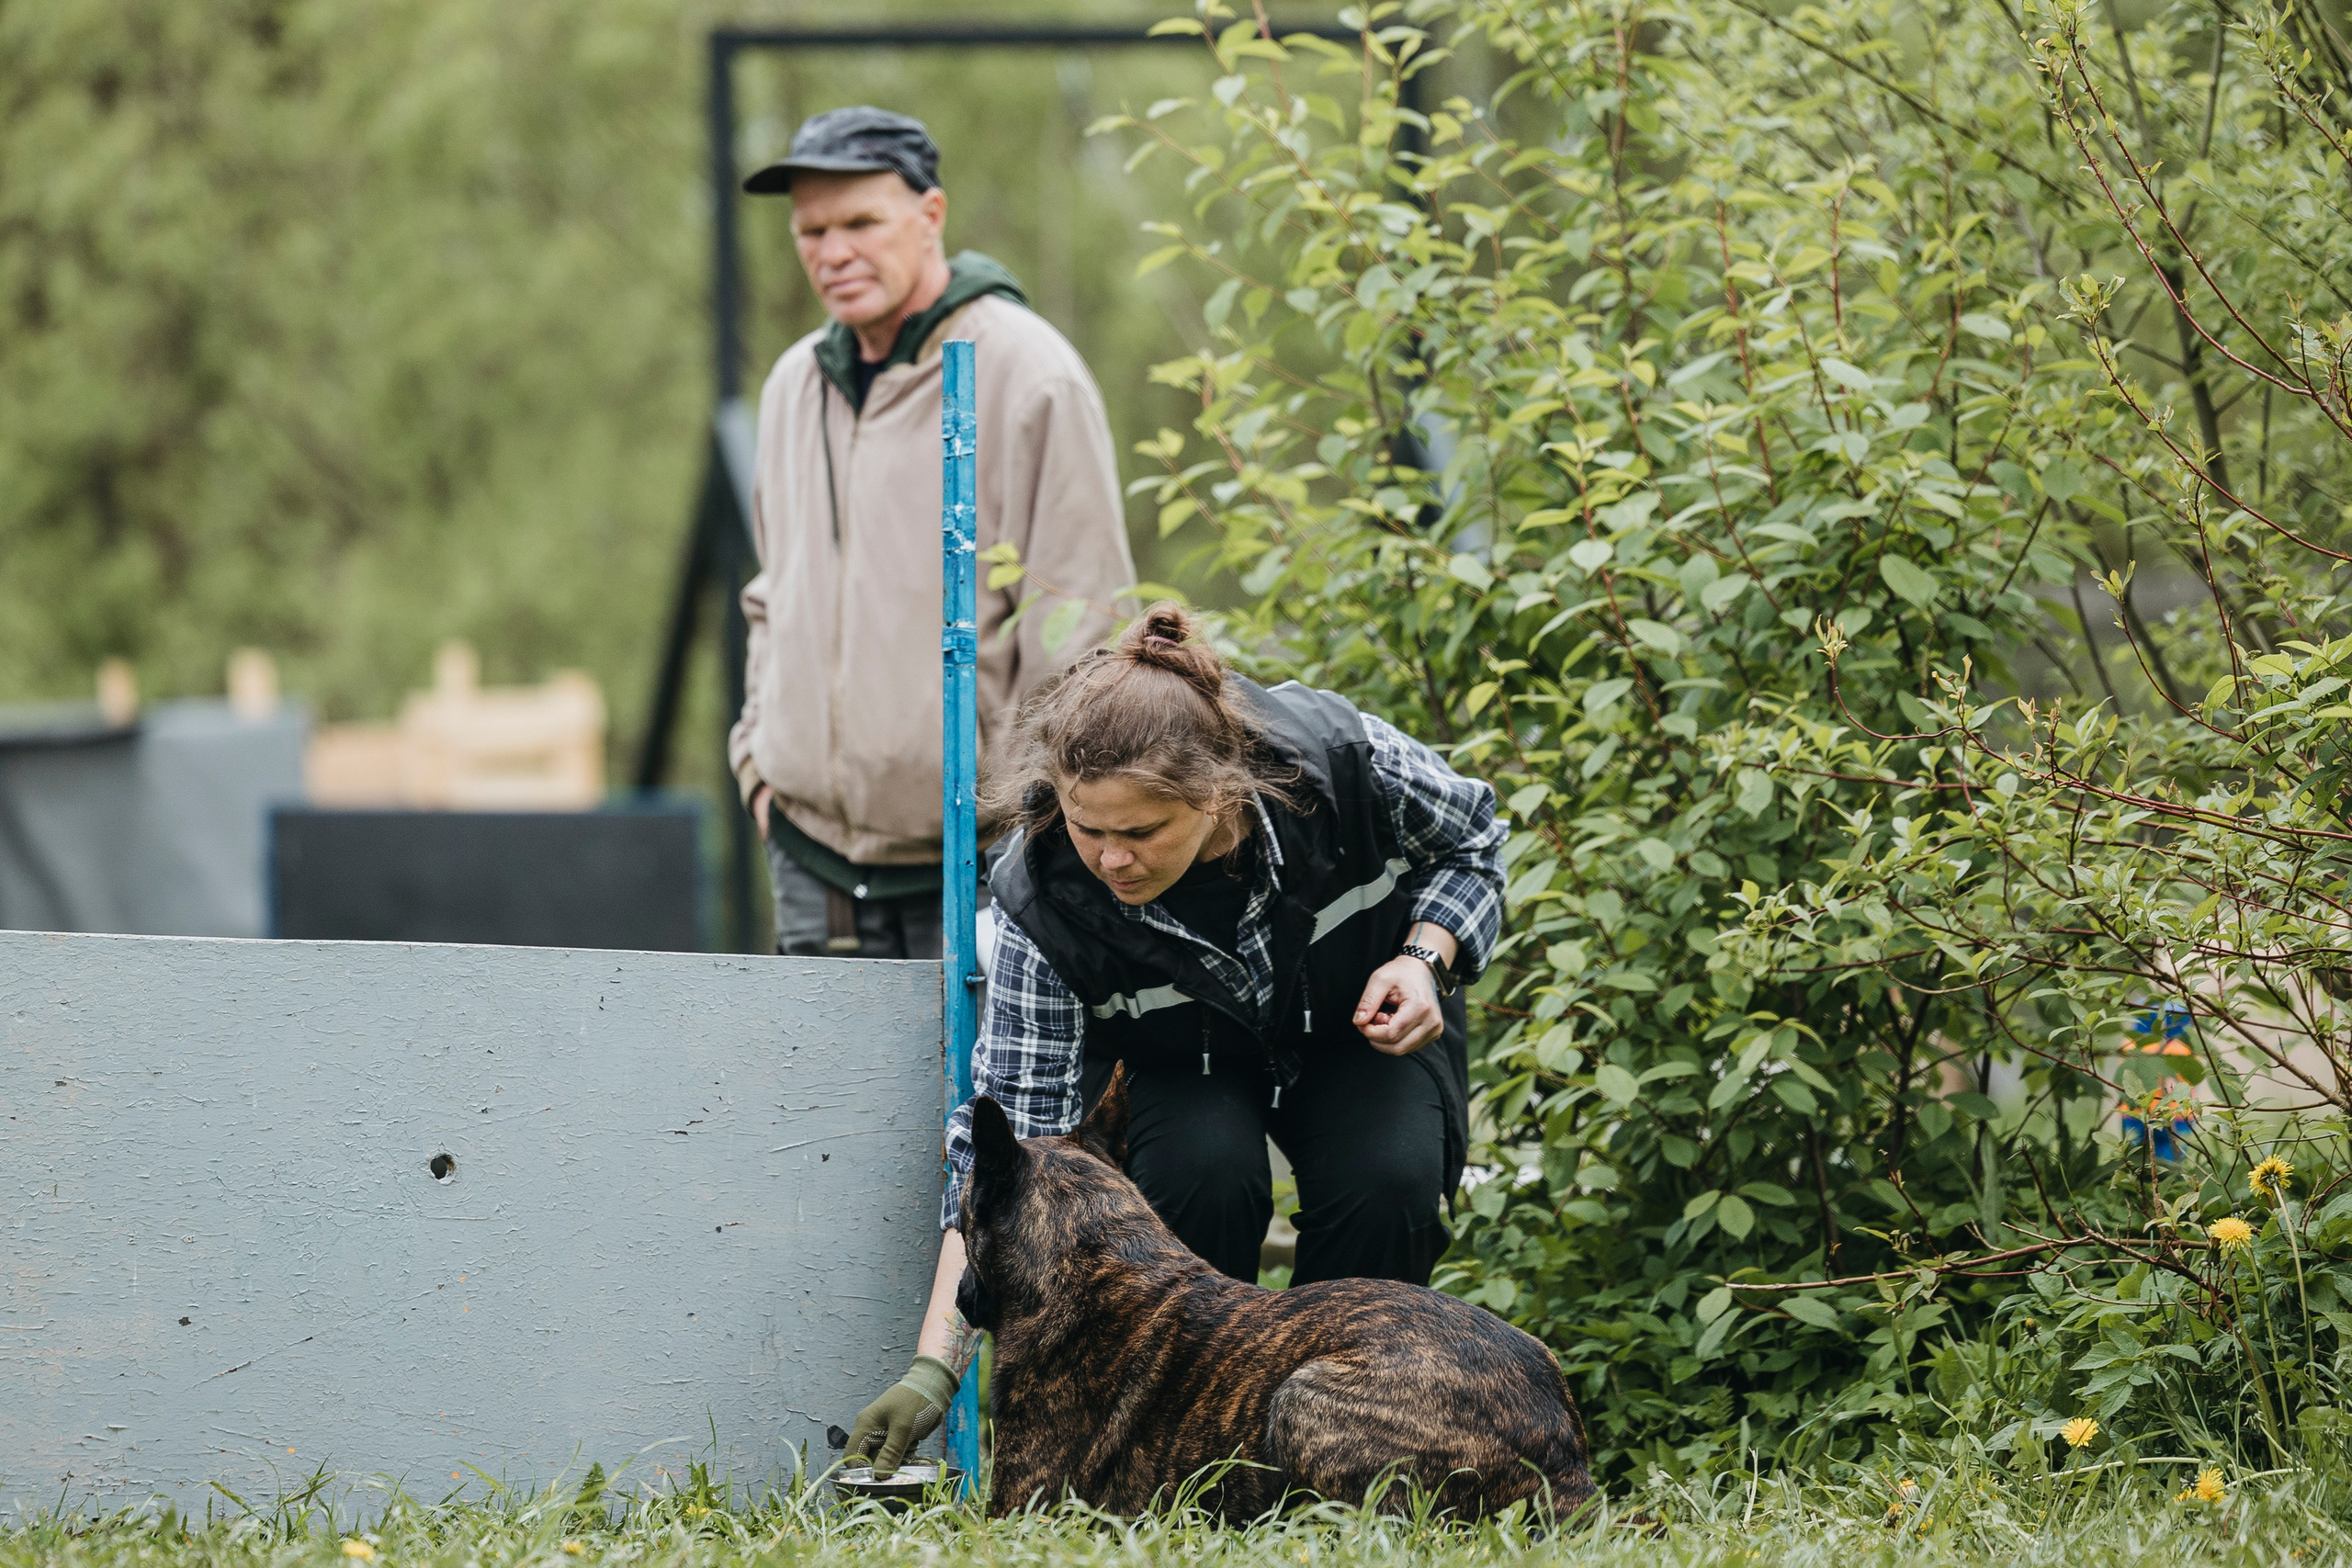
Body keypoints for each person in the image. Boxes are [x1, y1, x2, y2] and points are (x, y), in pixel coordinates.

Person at [844, 604, 1506, 1475]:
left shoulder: (1347, 762)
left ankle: (1358, 1454)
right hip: (1178, 1072)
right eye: (1089, 829)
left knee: (1387, 1179)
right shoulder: (1041, 898)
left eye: (1141, 832)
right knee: (1200, 1174)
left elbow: (1475, 840)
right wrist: (936, 1367)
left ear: (1219, 795)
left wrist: (1425, 958)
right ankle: (1203, 1469)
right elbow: (1014, 1154)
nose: (1110, 860)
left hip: (1358, 1030)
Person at [729, 107, 1136, 959]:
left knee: (966, 1098)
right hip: (810, 855)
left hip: (980, 859)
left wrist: (1034, 826)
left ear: (931, 216)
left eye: (860, 222)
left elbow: (1081, 624)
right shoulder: (792, 384)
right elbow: (774, 594)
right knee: (816, 1098)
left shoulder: (1030, 373)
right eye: (811, 230)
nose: (831, 252)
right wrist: (758, 768)